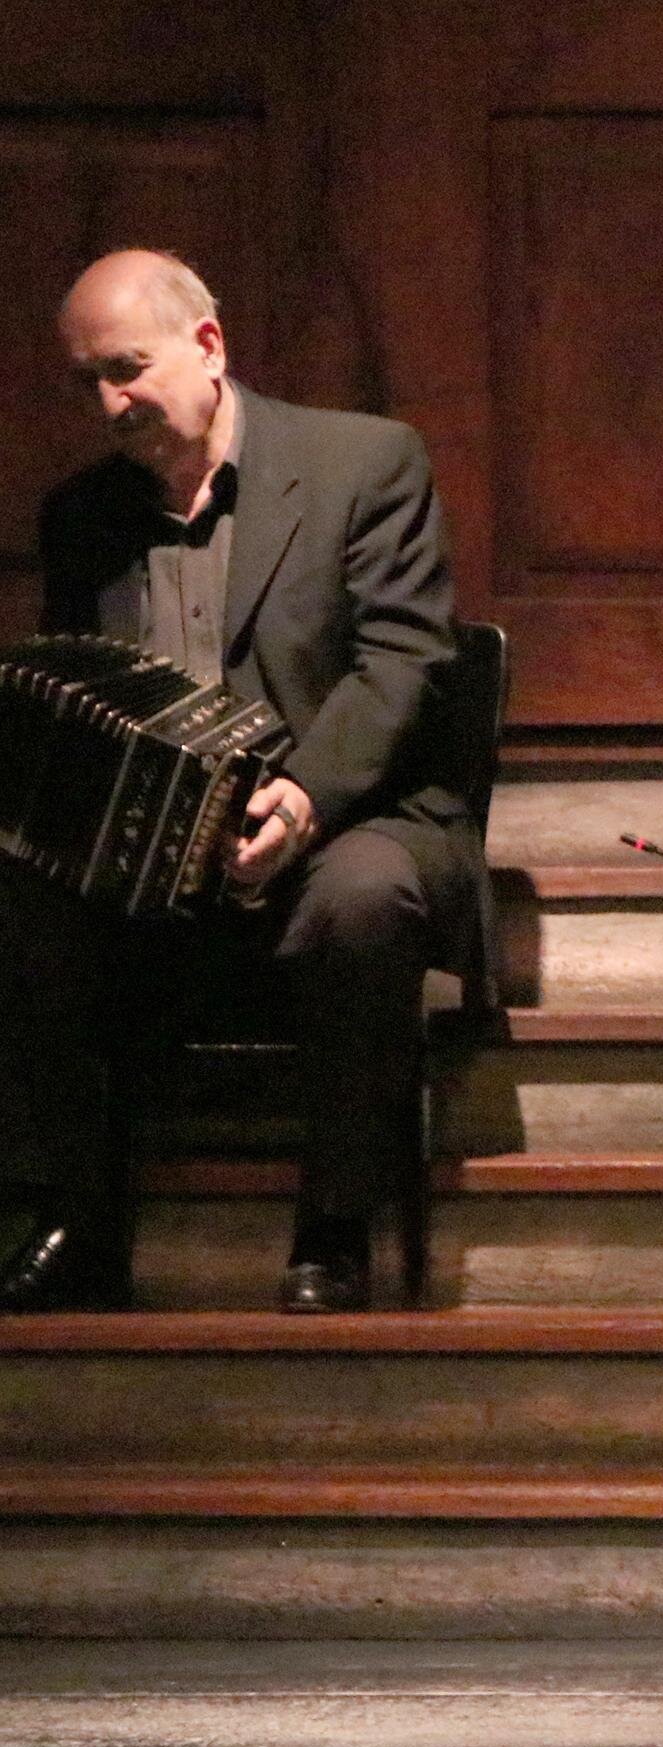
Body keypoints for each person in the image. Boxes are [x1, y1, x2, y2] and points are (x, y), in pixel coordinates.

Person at [0, 249, 481, 1314]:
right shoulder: (83, 514)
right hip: (164, 846)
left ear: (209, 346)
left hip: (351, 814)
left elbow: (405, 661)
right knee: (23, 896)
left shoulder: (365, 462)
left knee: (362, 897)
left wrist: (302, 797)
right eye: (88, 381)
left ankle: (335, 1228)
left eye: (127, 369)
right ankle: (74, 1221)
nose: (109, 403)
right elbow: (82, 696)